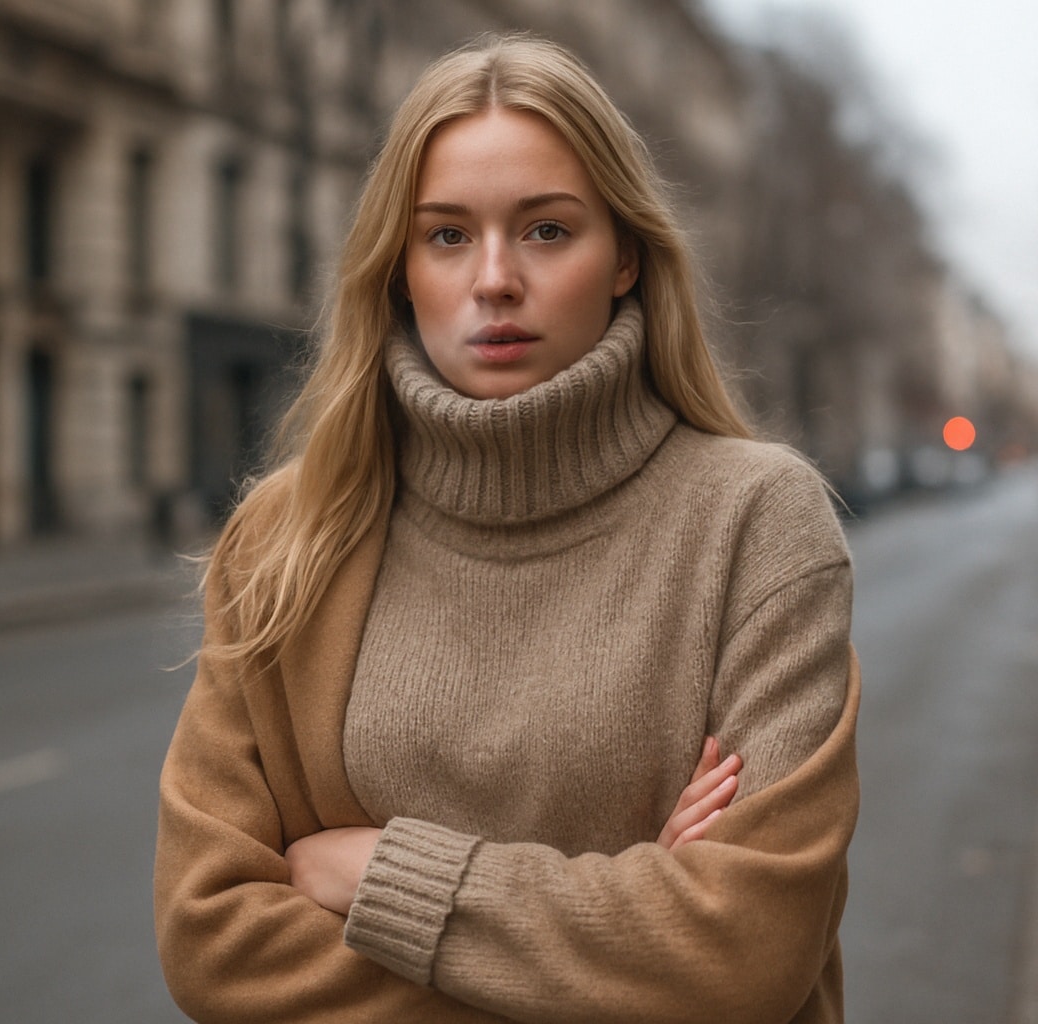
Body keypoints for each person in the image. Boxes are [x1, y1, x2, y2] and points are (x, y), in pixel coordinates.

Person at [155, 31, 859, 1024]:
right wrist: (624, 934)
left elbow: (744, 953)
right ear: (399, 269)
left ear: (624, 257)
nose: (493, 278)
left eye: (546, 231)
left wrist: (381, 878)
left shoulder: (756, 521)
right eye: (447, 235)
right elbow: (213, 940)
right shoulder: (284, 536)